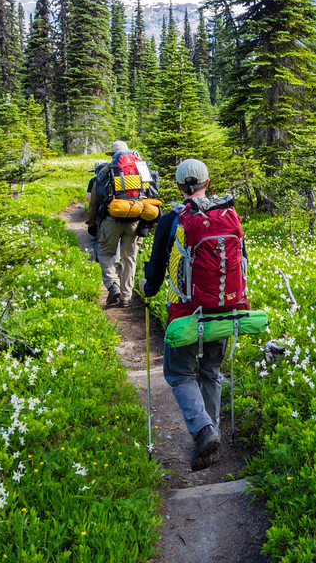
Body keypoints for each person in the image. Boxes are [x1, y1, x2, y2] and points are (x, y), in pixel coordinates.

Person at [140, 158, 233, 471]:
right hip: (224, 308)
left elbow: (152, 282)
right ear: (208, 182)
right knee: (210, 371)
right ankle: (211, 436)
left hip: (186, 314)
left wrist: (145, 285)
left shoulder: (171, 219)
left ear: (178, 186)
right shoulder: (227, 214)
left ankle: (204, 432)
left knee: (180, 374)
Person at [87, 140, 142, 307]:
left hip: (110, 219)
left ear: (112, 155)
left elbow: (94, 202)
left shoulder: (105, 172)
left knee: (105, 252)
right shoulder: (138, 169)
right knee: (129, 258)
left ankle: (113, 283)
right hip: (134, 218)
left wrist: (91, 224)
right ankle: (126, 297)